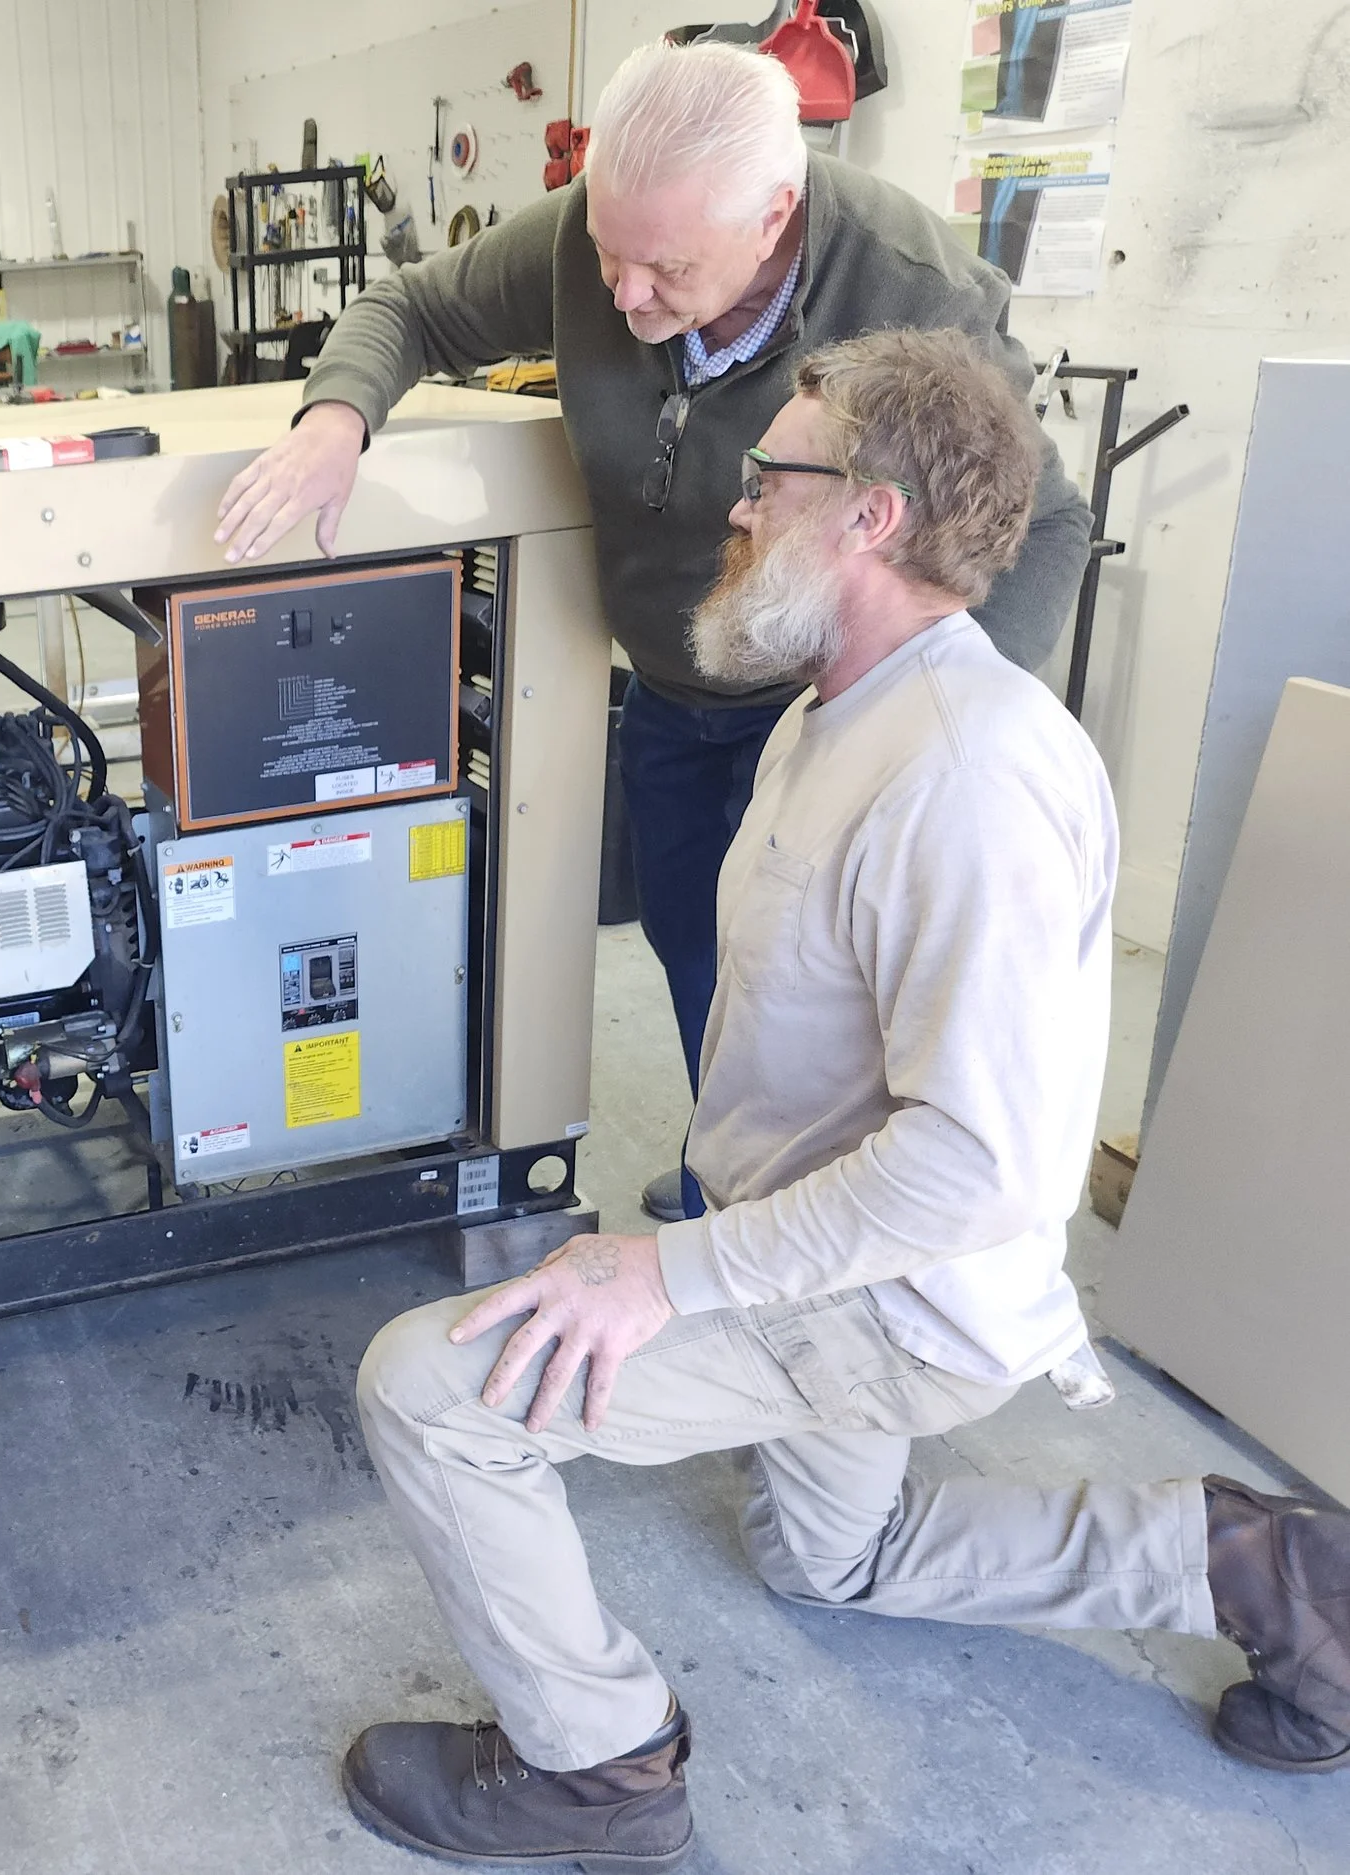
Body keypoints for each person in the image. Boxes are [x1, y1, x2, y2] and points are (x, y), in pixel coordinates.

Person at [340, 331, 1350, 1872]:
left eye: (771, 477)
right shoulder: (839, 709)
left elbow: (977, 1169)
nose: (737, 505)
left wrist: (661, 1273)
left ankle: (600, 1769)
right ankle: (1266, 1570)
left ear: (870, 514)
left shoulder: (967, 778)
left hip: (892, 1302)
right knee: (835, 1556)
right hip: (811, 1246)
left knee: (431, 1389)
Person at [214, 41, 1091, 1224]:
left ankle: (803, 1241)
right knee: (703, 963)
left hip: (831, 712)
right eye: (607, 257)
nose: (622, 300)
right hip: (681, 686)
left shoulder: (909, 289)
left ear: (775, 212)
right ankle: (730, 1187)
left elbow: (1043, 521)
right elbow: (409, 305)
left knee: (824, 1005)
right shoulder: (600, 237)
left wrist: (925, 720)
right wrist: (334, 419)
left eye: (664, 268)